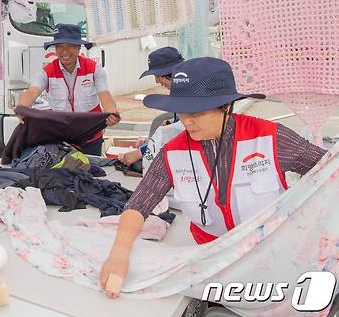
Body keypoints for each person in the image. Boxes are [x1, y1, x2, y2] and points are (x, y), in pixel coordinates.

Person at [99, 57, 326, 297]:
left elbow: (328, 171)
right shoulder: (173, 152)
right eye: (182, 111)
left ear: (226, 106)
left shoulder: (271, 138)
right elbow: (139, 203)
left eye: (197, 111)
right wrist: (119, 251)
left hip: (273, 254)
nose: (187, 121)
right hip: (212, 260)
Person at [16, 23, 120, 156]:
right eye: (59, 46)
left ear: (78, 47)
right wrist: (21, 107)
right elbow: (31, 92)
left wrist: (111, 112)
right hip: (61, 139)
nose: (64, 51)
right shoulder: (47, 72)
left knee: (92, 172)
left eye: (69, 46)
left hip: (91, 138)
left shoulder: (94, 69)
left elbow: (105, 95)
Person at [120, 47, 185, 168]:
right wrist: (173, 122)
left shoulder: (187, 94)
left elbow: (181, 132)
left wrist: (141, 152)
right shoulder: (180, 90)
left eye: (157, 75)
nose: (156, 81)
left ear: (169, 73)